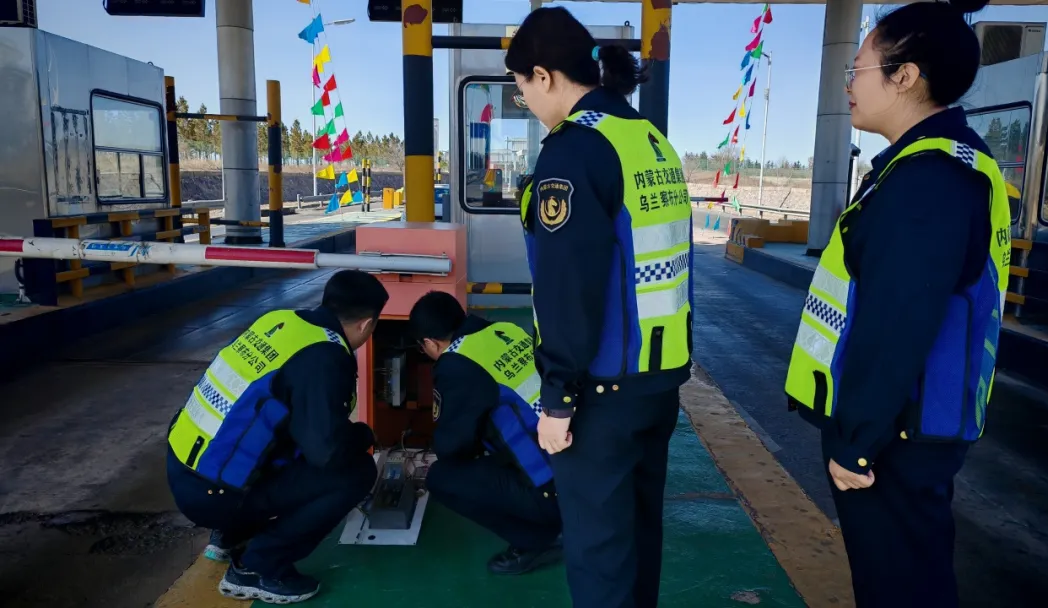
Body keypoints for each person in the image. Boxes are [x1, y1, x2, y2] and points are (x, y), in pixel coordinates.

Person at [783, 0, 1010, 605]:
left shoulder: (927, 180)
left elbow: (898, 323)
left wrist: (857, 441)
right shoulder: (942, 164)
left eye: (857, 69)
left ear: (904, 75)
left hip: (894, 439)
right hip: (910, 428)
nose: (848, 84)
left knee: (900, 588)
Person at [504, 8, 693, 608]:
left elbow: (569, 286)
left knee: (599, 558)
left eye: (522, 88)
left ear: (544, 75)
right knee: (638, 542)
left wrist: (557, 397)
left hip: (600, 394)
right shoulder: (648, 139)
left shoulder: (575, 150)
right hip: (657, 383)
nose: (526, 102)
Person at [165, 270, 388, 604]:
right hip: (214, 496)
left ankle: (231, 534)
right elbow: (326, 453)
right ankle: (257, 567)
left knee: (273, 430)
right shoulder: (326, 356)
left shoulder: (279, 322)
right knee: (355, 472)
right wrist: (363, 435)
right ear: (367, 324)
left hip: (182, 467)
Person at [409, 290, 563, 575]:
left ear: (430, 343)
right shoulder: (506, 330)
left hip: (551, 491)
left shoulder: (456, 362)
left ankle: (537, 541)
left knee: (442, 477)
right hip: (575, 468)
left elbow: (452, 446)